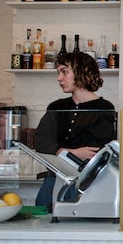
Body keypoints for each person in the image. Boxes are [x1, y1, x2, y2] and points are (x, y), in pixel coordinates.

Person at [34, 50, 116, 210]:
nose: (59, 78)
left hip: (88, 184)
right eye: (58, 73)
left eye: (64, 72)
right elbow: (41, 143)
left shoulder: (104, 107)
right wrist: (71, 152)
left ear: (81, 72)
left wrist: (58, 151)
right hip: (53, 183)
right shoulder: (57, 107)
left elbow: (95, 151)